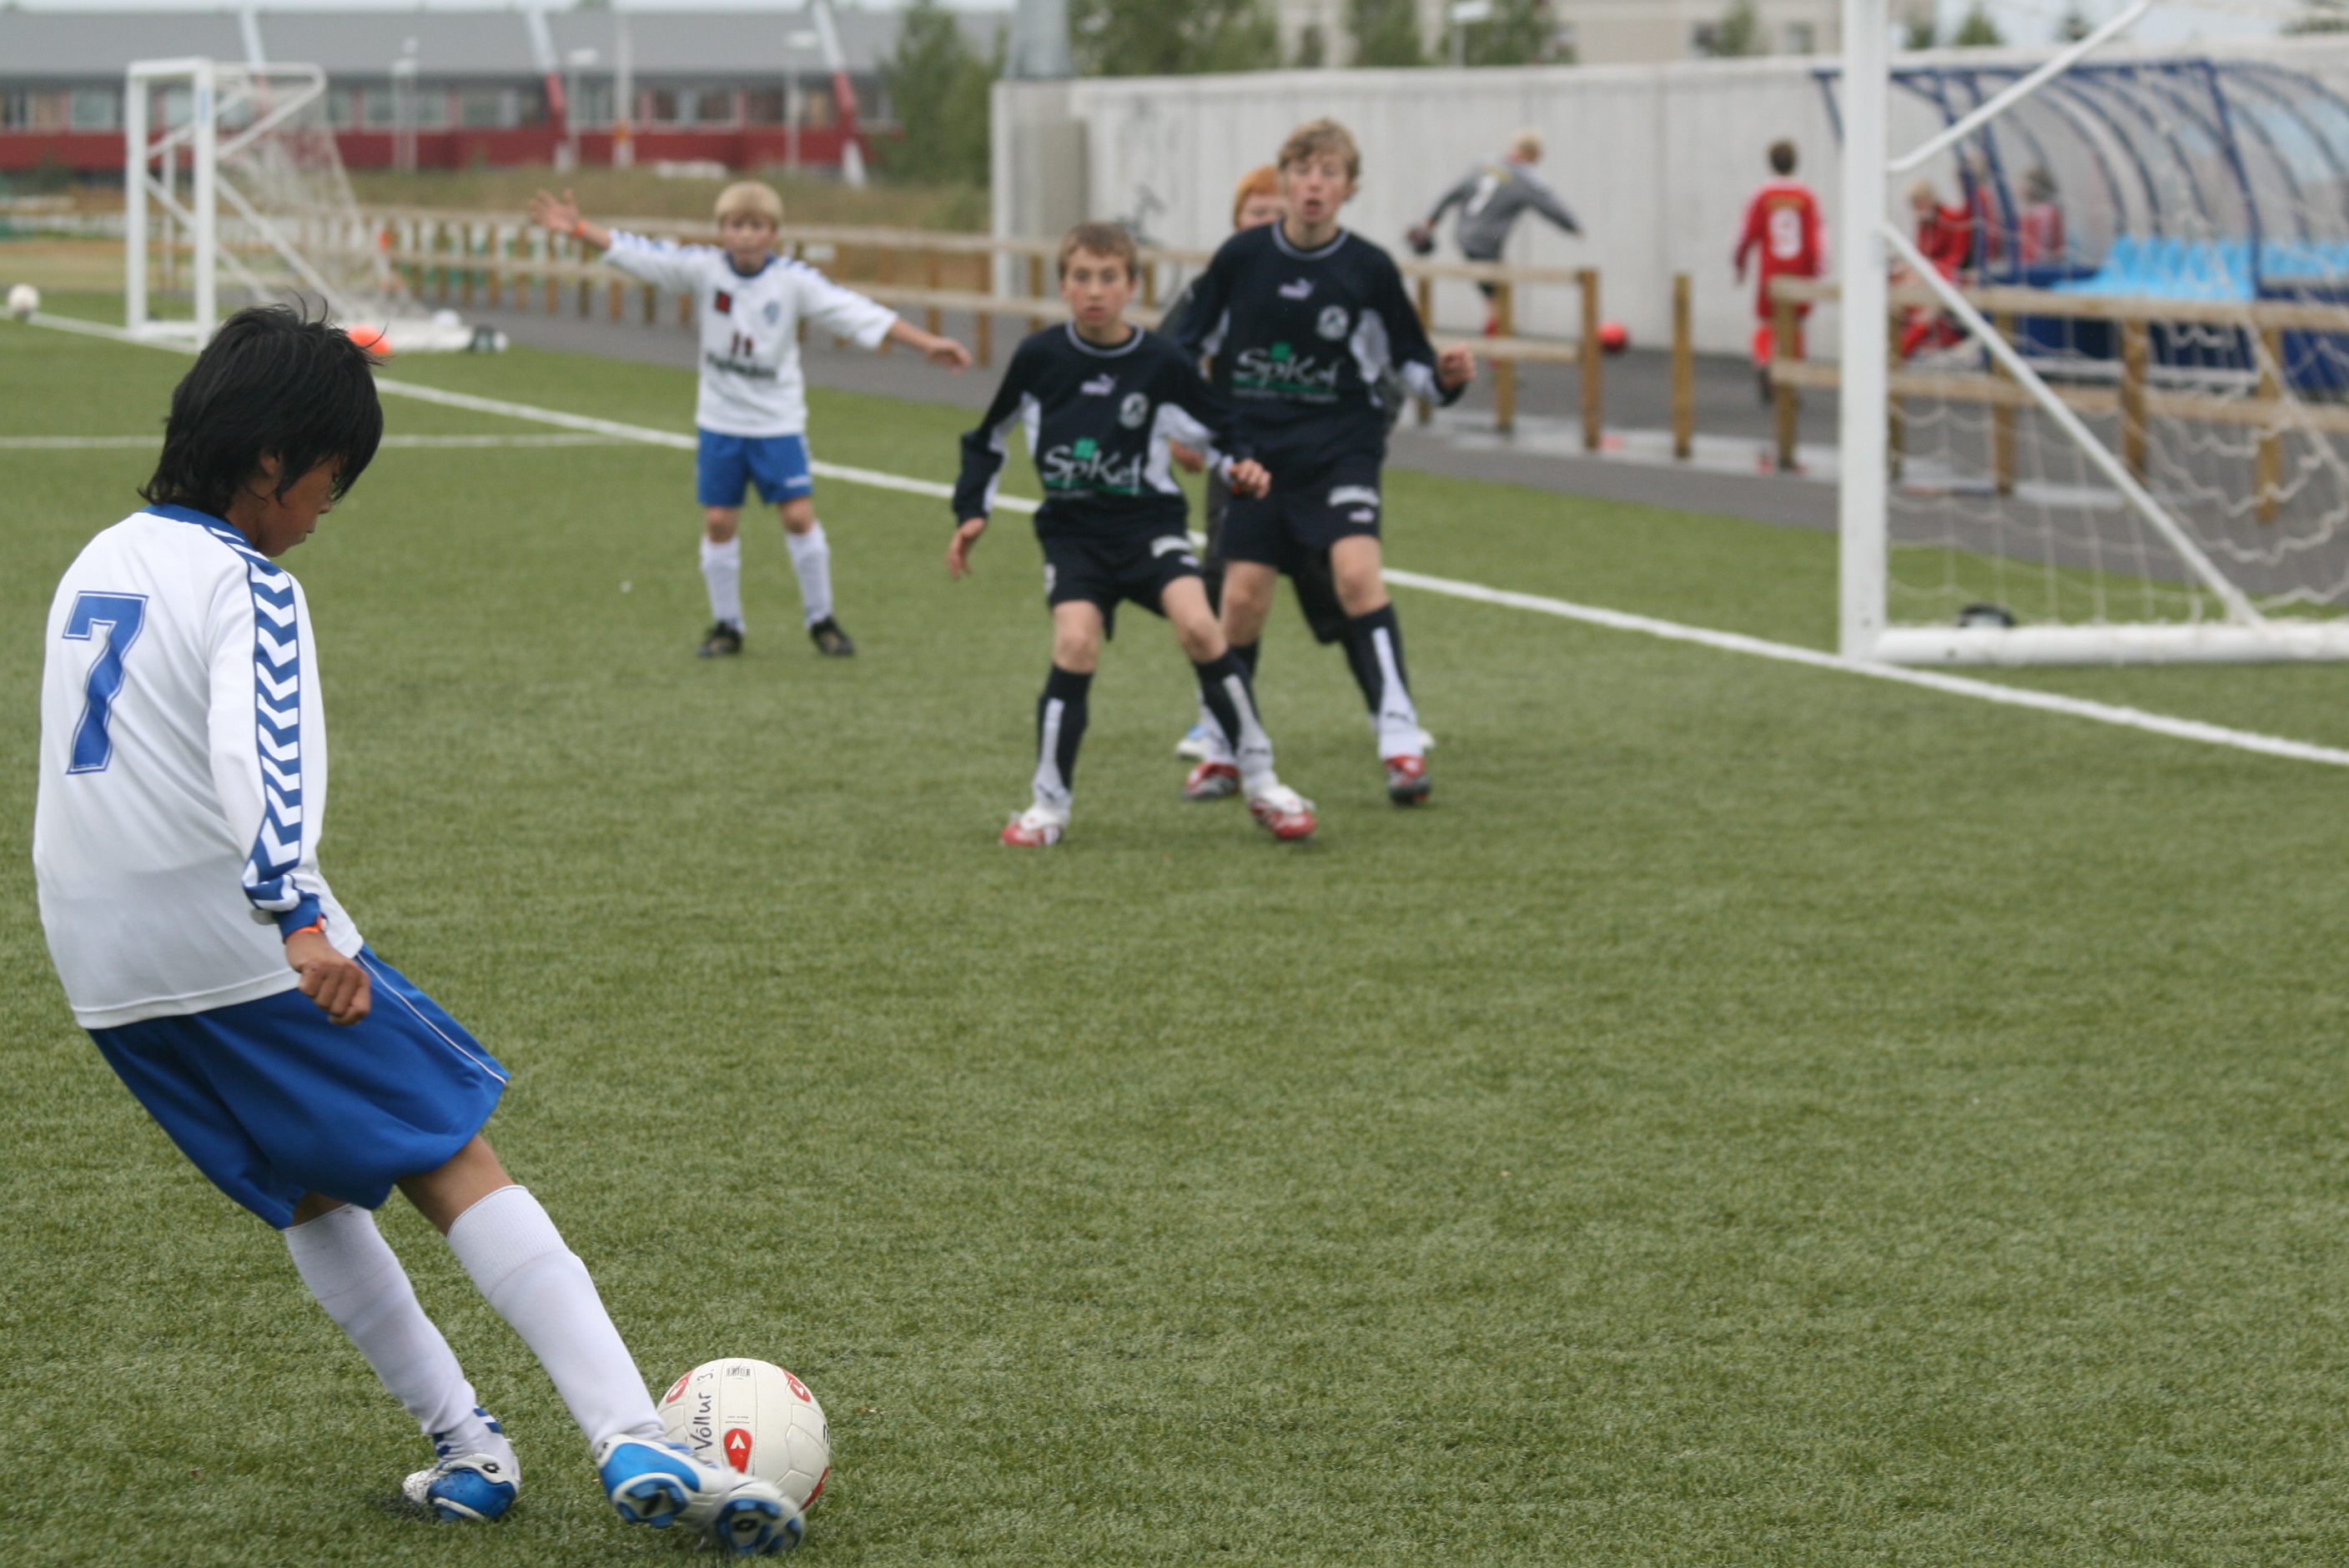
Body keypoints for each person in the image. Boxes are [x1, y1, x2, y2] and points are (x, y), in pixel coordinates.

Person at [29, 306, 799, 1554]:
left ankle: (467, 1447)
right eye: (332, 477)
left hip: (101, 961)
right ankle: (630, 1431)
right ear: (272, 459)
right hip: (236, 938)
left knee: (310, 1192)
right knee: (452, 1154)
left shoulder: (96, 561)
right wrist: (296, 917)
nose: (328, 508)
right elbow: (258, 756)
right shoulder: (247, 582)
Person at [950, 222, 1317, 847]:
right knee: (1075, 643)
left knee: (1201, 628)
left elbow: (1224, 425)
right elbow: (987, 438)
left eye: (1109, 278)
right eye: (1082, 277)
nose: (1095, 291)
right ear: (1063, 286)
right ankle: (1047, 807)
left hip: (1149, 528)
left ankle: (1263, 782)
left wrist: (1243, 463)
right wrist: (971, 510)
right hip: (1074, 535)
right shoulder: (1039, 357)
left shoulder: (1161, 361)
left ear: (1132, 287)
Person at [528, 181, 970, 660]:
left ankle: (821, 619)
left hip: (777, 422)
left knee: (798, 516)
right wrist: (579, 228)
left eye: (756, 225)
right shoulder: (704, 269)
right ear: (722, 230)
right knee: (719, 521)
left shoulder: (793, 281)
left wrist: (928, 344)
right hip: (720, 421)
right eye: (736, 225)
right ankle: (727, 626)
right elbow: (643, 256)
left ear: (773, 233)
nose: (745, 235)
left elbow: (855, 312)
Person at [1169, 118, 1476, 805]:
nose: (1315, 184)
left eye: (1329, 172)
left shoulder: (1368, 268)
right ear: (1284, 182)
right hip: (1254, 454)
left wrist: (1447, 377)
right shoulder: (1241, 258)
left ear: (1350, 188)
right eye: (1303, 171)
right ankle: (1224, 748)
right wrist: (1197, 431)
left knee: (1358, 577)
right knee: (1242, 599)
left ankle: (1400, 743)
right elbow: (1184, 351)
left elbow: (1413, 366)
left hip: (1340, 449)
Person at [1164, 163, 1353, 764]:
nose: (1267, 221)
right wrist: (1180, 429)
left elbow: (1376, 364)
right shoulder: (1221, 280)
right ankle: (1216, 719)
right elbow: (1169, 357)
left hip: (1315, 462)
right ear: (1237, 220)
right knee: (1227, 584)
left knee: (1341, 583)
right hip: (1239, 458)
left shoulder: (1337, 278)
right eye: (1256, 212)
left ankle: (1390, 713)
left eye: (1276, 212)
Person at [1408, 128, 1581, 336]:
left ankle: (1496, 337)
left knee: (1494, 291)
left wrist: (1429, 223)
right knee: (1499, 294)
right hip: (1487, 243)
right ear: (1533, 154)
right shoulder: (1526, 178)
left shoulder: (1484, 164)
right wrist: (1574, 227)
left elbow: (1450, 194)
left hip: (1463, 235)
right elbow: (1550, 205)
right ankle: (1497, 345)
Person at [1733, 138, 1826, 405]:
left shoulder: (1762, 196)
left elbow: (1745, 235)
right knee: (1796, 326)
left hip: (1771, 272)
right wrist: (1817, 271)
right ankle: (1790, 383)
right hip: (1800, 271)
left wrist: (1739, 265)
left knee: (1767, 323)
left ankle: (1764, 361)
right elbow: (1817, 238)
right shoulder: (1807, 197)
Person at [1899, 178, 1974, 359]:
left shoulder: (1951, 218)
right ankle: (1901, 345)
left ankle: (1904, 350)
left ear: (1929, 199)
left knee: (1927, 306)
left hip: (1951, 277)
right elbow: (1921, 253)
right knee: (1901, 286)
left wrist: (1926, 270)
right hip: (1931, 276)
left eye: (1918, 202)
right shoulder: (1925, 223)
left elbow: (1956, 257)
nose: (1915, 208)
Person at [2017, 166, 2065, 266]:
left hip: (2038, 265)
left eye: (2024, 185)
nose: (2020, 189)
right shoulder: (2037, 210)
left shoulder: (2044, 211)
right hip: (2032, 263)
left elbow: (2044, 243)